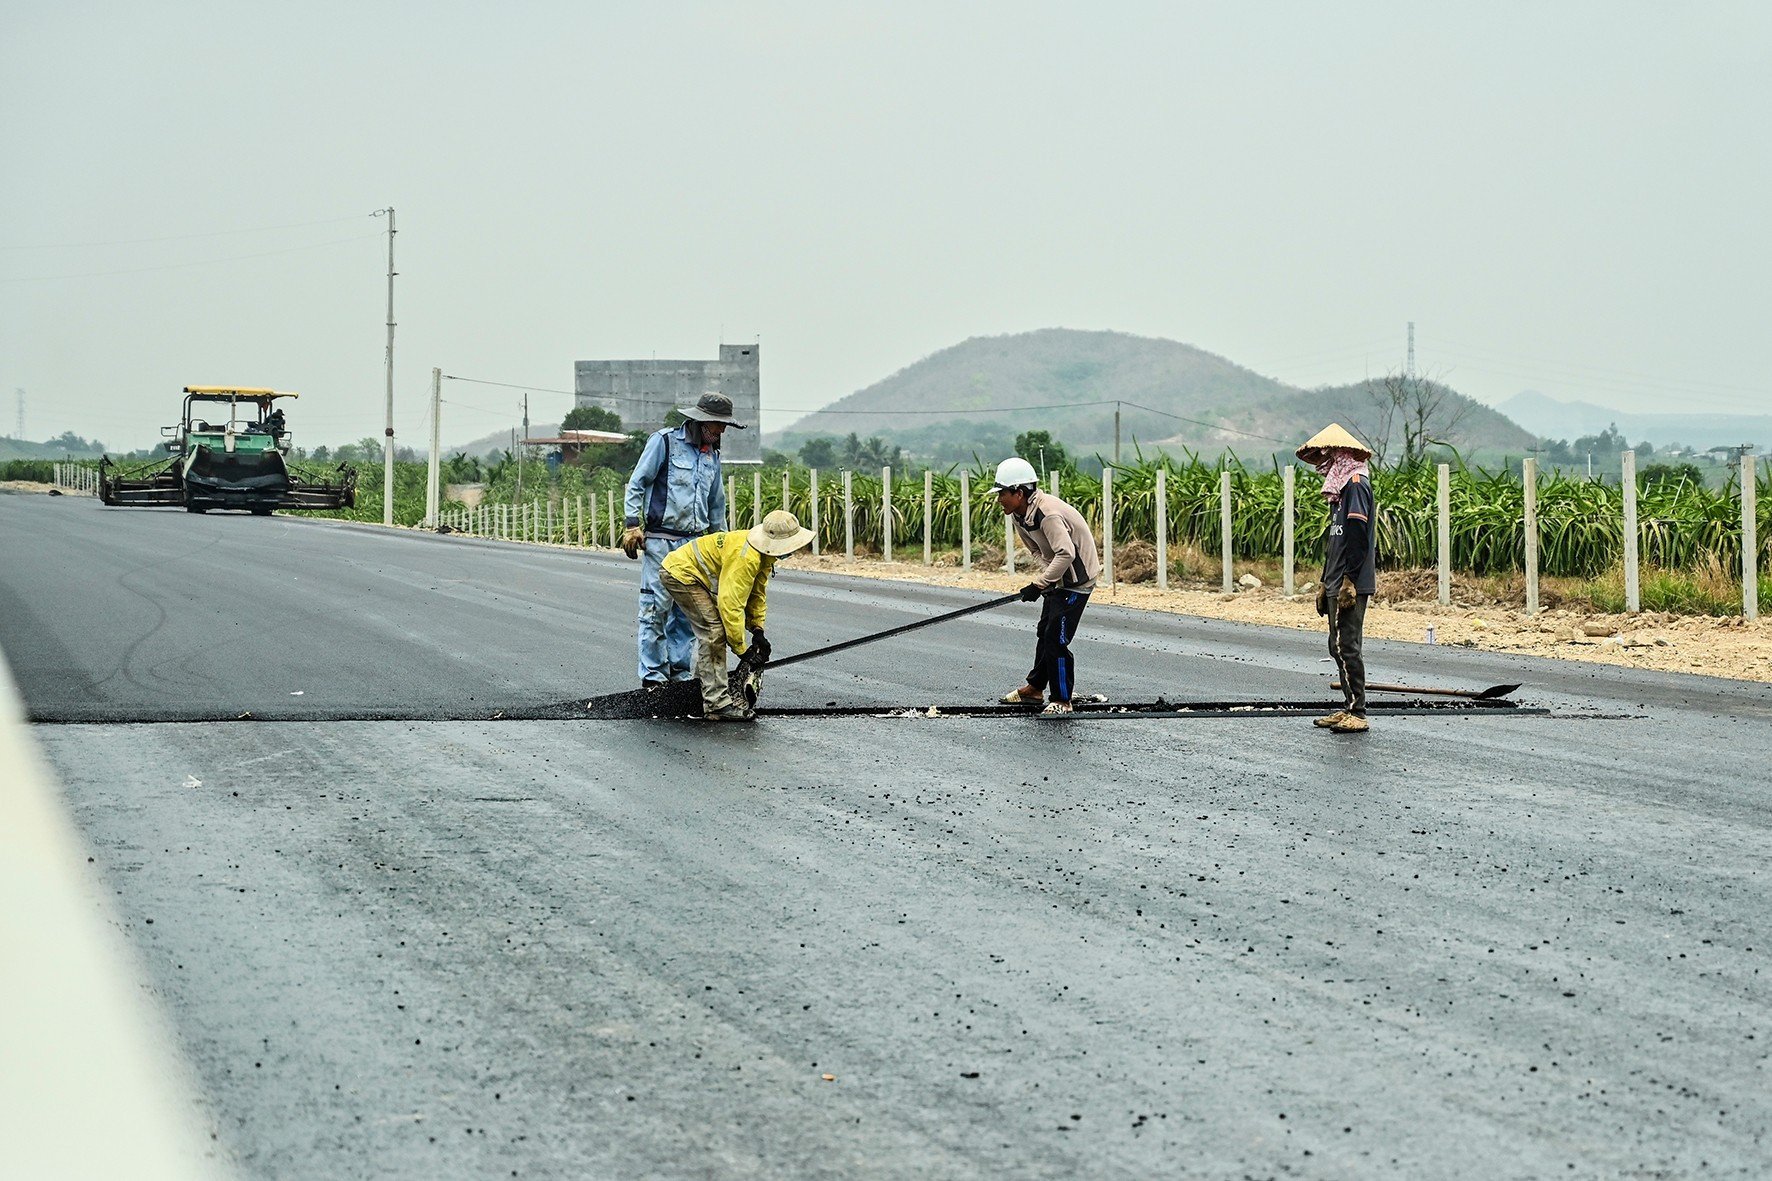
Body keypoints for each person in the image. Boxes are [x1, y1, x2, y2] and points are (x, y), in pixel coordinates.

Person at [622, 392, 741, 687]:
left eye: (725, 425)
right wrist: (632, 524)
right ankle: (653, 677)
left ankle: (679, 675)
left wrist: (722, 547)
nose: (722, 430)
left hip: (694, 545)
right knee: (655, 609)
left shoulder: (712, 455)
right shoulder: (664, 443)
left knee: (686, 613)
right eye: (718, 424)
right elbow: (638, 482)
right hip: (661, 541)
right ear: (701, 421)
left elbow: (717, 505)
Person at [659, 509, 814, 721]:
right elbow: (730, 606)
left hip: (690, 573)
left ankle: (699, 693)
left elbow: (756, 593)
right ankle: (716, 705)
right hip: (681, 574)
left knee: (714, 632)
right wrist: (742, 650)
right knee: (714, 633)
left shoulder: (763, 555)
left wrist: (758, 630)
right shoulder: (747, 558)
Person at [991, 456, 1101, 716]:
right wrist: (1045, 582)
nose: (999, 500)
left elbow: (1066, 554)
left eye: (1002, 494)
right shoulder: (1019, 515)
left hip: (1077, 581)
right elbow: (1037, 551)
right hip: (1058, 579)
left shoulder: (1047, 513)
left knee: (1056, 638)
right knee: (1045, 630)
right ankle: (1035, 688)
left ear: (1019, 492)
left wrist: (1041, 583)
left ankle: (1063, 699)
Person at [1297, 423, 1377, 734]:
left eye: (1329, 457)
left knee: (1348, 645)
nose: (1323, 464)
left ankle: (1358, 710)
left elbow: (1357, 538)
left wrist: (1349, 581)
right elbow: (1336, 542)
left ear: (1342, 456)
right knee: (1337, 645)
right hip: (1335, 580)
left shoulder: (1356, 486)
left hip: (1350, 582)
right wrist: (1323, 582)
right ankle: (1347, 706)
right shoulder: (1339, 494)